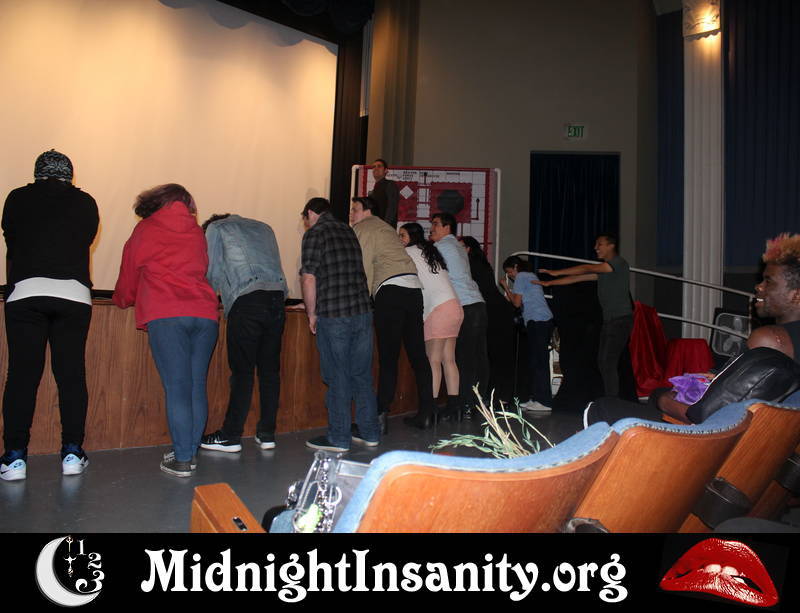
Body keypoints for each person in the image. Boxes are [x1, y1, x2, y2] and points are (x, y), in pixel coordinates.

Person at [587, 232, 800, 426]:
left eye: (768, 281)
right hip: (770, 439)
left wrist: (663, 399)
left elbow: (710, 416)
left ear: (796, 295)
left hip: (714, 440)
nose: (759, 286)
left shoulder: (769, 339)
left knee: (604, 408)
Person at [0, 150, 99, 481]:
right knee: (71, 376)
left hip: (26, 291)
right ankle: (72, 453)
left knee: (21, 376)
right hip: (74, 294)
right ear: (70, 175)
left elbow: (11, 241)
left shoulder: (17, 198)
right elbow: (85, 239)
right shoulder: (85, 202)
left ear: (37, 174)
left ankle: (14, 458)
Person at [113, 184, 219, 477]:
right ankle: (188, 451)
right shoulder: (196, 232)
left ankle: (182, 459)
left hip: (167, 312)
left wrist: (122, 299)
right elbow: (202, 268)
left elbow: (129, 273)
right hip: (204, 314)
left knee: (178, 388)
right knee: (196, 386)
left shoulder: (146, 229)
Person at [198, 214, 288, 453]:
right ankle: (267, 434)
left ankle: (231, 436)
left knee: (242, 372)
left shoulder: (216, 228)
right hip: (277, 300)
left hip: (247, 302)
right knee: (270, 372)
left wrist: (205, 299)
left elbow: (211, 273)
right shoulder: (264, 227)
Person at [300, 197, 380, 452]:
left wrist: (311, 313)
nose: (306, 223)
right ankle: (370, 433)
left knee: (338, 376)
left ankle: (339, 438)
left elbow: (309, 277)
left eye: (305, 219)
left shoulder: (315, 233)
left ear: (311, 213)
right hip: (362, 312)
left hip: (335, 314)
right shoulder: (349, 230)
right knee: (362, 375)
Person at [350, 197, 434, 435]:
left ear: (367, 211)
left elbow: (364, 267)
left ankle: (379, 419)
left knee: (389, 358)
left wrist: (361, 301)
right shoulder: (387, 228)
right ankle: (427, 413)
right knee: (418, 356)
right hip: (413, 290)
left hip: (391, 290)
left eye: (355, 210)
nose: (351, 214)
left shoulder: (364, 227)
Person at [536, 233, 632, 398]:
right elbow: (577, 277)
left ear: (611, 246)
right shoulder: (604, 271)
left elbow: (587, 268)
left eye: (599, 244)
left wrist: (556, 272)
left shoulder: (618, 263)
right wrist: (549, 282)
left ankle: (612, 401)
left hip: (620, 320)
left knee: (607, 361)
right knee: (603, 361)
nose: (596, 248)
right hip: (610, 321)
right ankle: (610, 399)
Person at [399, 222, 463, 428]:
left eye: (402, 236)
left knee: (433, 361)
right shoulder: (431, 252)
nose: (399, 240)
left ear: (411, 237)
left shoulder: (408, 252)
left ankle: (429, 411)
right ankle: (455, 408)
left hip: (438, 308)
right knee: (448, 360)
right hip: (454, 305)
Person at [430, 212, 489, 418]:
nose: (432, 228)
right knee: (479, 358)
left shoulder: (442, 246)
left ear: (447, 227)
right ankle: (477, 405)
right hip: (478, 303)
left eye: (436, 224)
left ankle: (464, 405)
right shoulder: (458, 246)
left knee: (465, 359)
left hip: (466, 305)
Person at [461, 235, 517, 403]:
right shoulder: (481, 264)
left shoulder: (470, 265)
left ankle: (493, 395)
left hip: (494, 312)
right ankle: (498, 395)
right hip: (497, 311)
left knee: (491, 355)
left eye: (460, 247)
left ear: (468, 249)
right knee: (496, 355)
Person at [500, 256, 554, 412]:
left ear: (516, 267)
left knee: (539, 361)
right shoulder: (529, 275)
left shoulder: (522, 276)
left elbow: (516, 303)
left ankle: (544, 401)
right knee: (536, 360)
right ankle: (537, 398)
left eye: (510, 272)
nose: (510, 276)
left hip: (538, 320)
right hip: (540, 320)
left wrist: (506, 287)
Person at [368, 158, 400, 228]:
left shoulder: (390, 184)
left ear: (386, 171)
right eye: (374, 167)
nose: (376, 168)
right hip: (376, 227)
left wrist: (384, 225)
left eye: (379, 166)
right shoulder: (373, 190)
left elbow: (392, 208)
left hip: (385, 228)